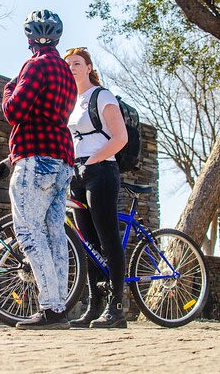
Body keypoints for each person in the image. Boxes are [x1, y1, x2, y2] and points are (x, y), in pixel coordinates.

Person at [3, 9, 78, 330]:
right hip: (63, 159)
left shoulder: (36, 65)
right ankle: (58, 309)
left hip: (35, 156)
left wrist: (9, 89)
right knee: (53, 233)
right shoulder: (65, 72)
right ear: (58, 38)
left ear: (29, 38)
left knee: (29, 232)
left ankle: (50, 307)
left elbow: (14, 110)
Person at [64, 47, 128, 328]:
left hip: (101, 170)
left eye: (77, 63)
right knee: (87, 243)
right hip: (75, 173)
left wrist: (92, 161)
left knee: (107, 238)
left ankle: (116, 309)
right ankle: (94, 307)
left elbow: (120, 137)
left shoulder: (102, 96)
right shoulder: (70, 102)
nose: (72, 68)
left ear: (88, 67)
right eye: (67, 65)